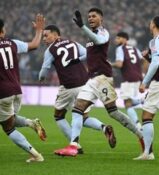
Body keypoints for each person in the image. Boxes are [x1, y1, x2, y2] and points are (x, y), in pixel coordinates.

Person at [56, 7, 143, 156]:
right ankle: (73, 146)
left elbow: (99, 41)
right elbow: (90, 55)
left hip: (103, 78)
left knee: (114, 113)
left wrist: (82, 26)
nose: (90, 18)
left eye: (93, 16)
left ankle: (140, 135)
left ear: (101, 19)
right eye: (88, 16)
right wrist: (75, 60)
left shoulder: (103, 33)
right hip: (91, 80)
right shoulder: (91, 37)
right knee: (77, 110)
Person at [39, 24, 116, 154]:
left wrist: (41, 78)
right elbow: (87, 54)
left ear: (56, 34)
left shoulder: (50, 50)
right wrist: (75, 60)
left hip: (68, 86)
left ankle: (75, 145)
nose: (44, 39)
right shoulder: (73, 43)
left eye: (46, 35)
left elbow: (44, 70)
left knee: (59, 116)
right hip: (84, 83)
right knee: (83, 116)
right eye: (43, 37)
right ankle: (103, 128)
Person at [0, 14, 46, 162]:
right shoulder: (12, 43)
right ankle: (31, 123)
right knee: (8, 119)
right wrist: (39, 30)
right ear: (2, 32)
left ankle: (36, 155)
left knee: (8, 127)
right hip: (17, 90)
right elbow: (34, 45)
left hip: (3, 93)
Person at [133, 16, 159, 160]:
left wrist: (144, 82)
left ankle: (148, 153)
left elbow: (156, 64)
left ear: (154, 25)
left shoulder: (155, 41)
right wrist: (148, 57)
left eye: (150, 22)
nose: (149, 24)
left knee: (146, 116)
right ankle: (147, 153)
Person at [111, 32, 143, 130]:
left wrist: (109, 64)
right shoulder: (135, 49)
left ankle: (137, 125)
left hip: (128, 78)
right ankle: (141, 100)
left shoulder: (120, 49)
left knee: (127, 103)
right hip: (138, 77)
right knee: (129, 100)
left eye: (118, 38)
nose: (116, 40)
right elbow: (142, 60)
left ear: (125, 39)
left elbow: (119, 64)